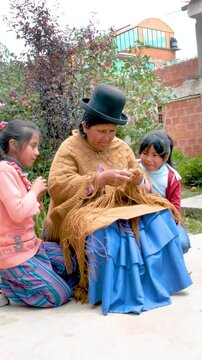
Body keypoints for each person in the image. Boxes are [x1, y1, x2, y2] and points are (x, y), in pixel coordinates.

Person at [44, 83, 192, 315]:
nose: (108, 138)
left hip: (120, 206)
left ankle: (161, 281)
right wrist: (100, 179)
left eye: (112, 131)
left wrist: (136, 181)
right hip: (83, 211)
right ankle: (110, 290)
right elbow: (57, 187)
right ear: (85, 126)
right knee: (106, 233)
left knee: (159, 219)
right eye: (102, 131)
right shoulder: (70, 148)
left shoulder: (121, 147)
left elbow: (143, 183)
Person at [0, 119, 78, 308]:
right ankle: (8, 286)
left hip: (31, 246)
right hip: (13, 253)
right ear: (13, 145)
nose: (37, 152)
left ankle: (37, 278)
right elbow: (18, 212)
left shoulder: (13, 171)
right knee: (59, 296)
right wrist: (34, 192)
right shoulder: (3, 171)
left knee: (73, 264)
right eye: (33, 146)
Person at [138, 130, 191, 254]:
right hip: (136, 217)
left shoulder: (172, 177)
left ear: (165, 157)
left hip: (163, 218)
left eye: (155, 155)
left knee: (182, 244)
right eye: (145, 153)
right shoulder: (134, 167)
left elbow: (175, 208)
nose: (149, 159)